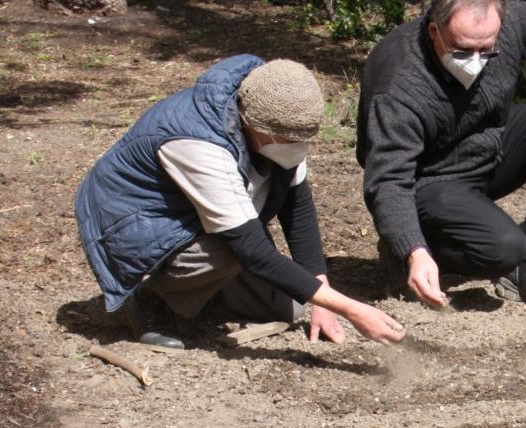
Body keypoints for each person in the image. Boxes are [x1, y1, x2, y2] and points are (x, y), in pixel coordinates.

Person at [76, 55, 404, 348]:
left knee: (290, 307)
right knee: (225, 255)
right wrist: (350, 308)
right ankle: (152, 301)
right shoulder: (199, 144)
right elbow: (250, 249)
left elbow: (297, 209)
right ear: (256, 127)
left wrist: (323, 299)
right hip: (135, 221)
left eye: (304, 139)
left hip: (196, 214)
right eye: (290, 140)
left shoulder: (280, 118)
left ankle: (203, 294)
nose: (298, 147)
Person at [357, 0, 526, 317]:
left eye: (487, 50)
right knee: (503, 248)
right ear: (434, 30)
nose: (475, 62)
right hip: (428, 178)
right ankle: (408, 246)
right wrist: (412, 249)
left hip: (488, 145)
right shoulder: (398, 80)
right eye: (462, 50)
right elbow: (389, 180)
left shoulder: (504, 22)